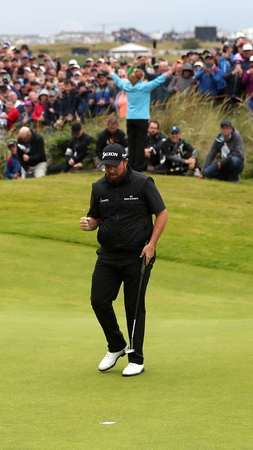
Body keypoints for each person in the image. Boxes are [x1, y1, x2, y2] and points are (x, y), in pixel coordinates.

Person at [79, 143, 168, 377]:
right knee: (98, 300)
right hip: (108, 255)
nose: (110, 171)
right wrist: (90, 223)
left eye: (114, 166)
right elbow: (96, 216)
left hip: (137, 255)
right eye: (106, 167)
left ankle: (136, 358)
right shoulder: (98, 187)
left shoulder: (143, 183)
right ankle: (116, 345)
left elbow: (162, 213)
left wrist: (152, 244)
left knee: (134, 307)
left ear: (125, 162)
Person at [102, 61, 177, 171]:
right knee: (140, 143)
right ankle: (138, 167)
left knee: (131, 143)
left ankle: (130, 166)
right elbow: (159, 80)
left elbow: (117, 81)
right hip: (142, 118)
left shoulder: (127, 86)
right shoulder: (145, 86)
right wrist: (171, 71)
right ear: (141, 77)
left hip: (130, 118)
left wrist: (110, 71)